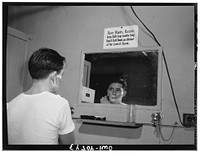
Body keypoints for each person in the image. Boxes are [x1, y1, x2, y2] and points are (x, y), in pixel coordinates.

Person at [7, 48, 75, 145]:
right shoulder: (60, 104)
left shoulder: (9, 105)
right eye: (62, 74)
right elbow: (70, 146)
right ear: (54, 76)